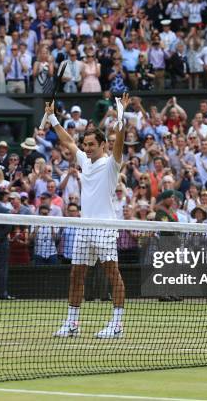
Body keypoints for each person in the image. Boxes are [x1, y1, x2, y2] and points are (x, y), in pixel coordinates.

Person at [45, 93, 128, 339]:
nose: (87, 148)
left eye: (92, 144)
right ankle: (72, 323)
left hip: (104, 228)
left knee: (112, 273)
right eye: (86, 145)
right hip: (84, 227)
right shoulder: (84, 161)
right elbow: (69, 142)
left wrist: (121, 115)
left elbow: (120, 141)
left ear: (103, 145)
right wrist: (51, 118)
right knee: (76, 275)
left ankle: (117, 324)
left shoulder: (113, 163)